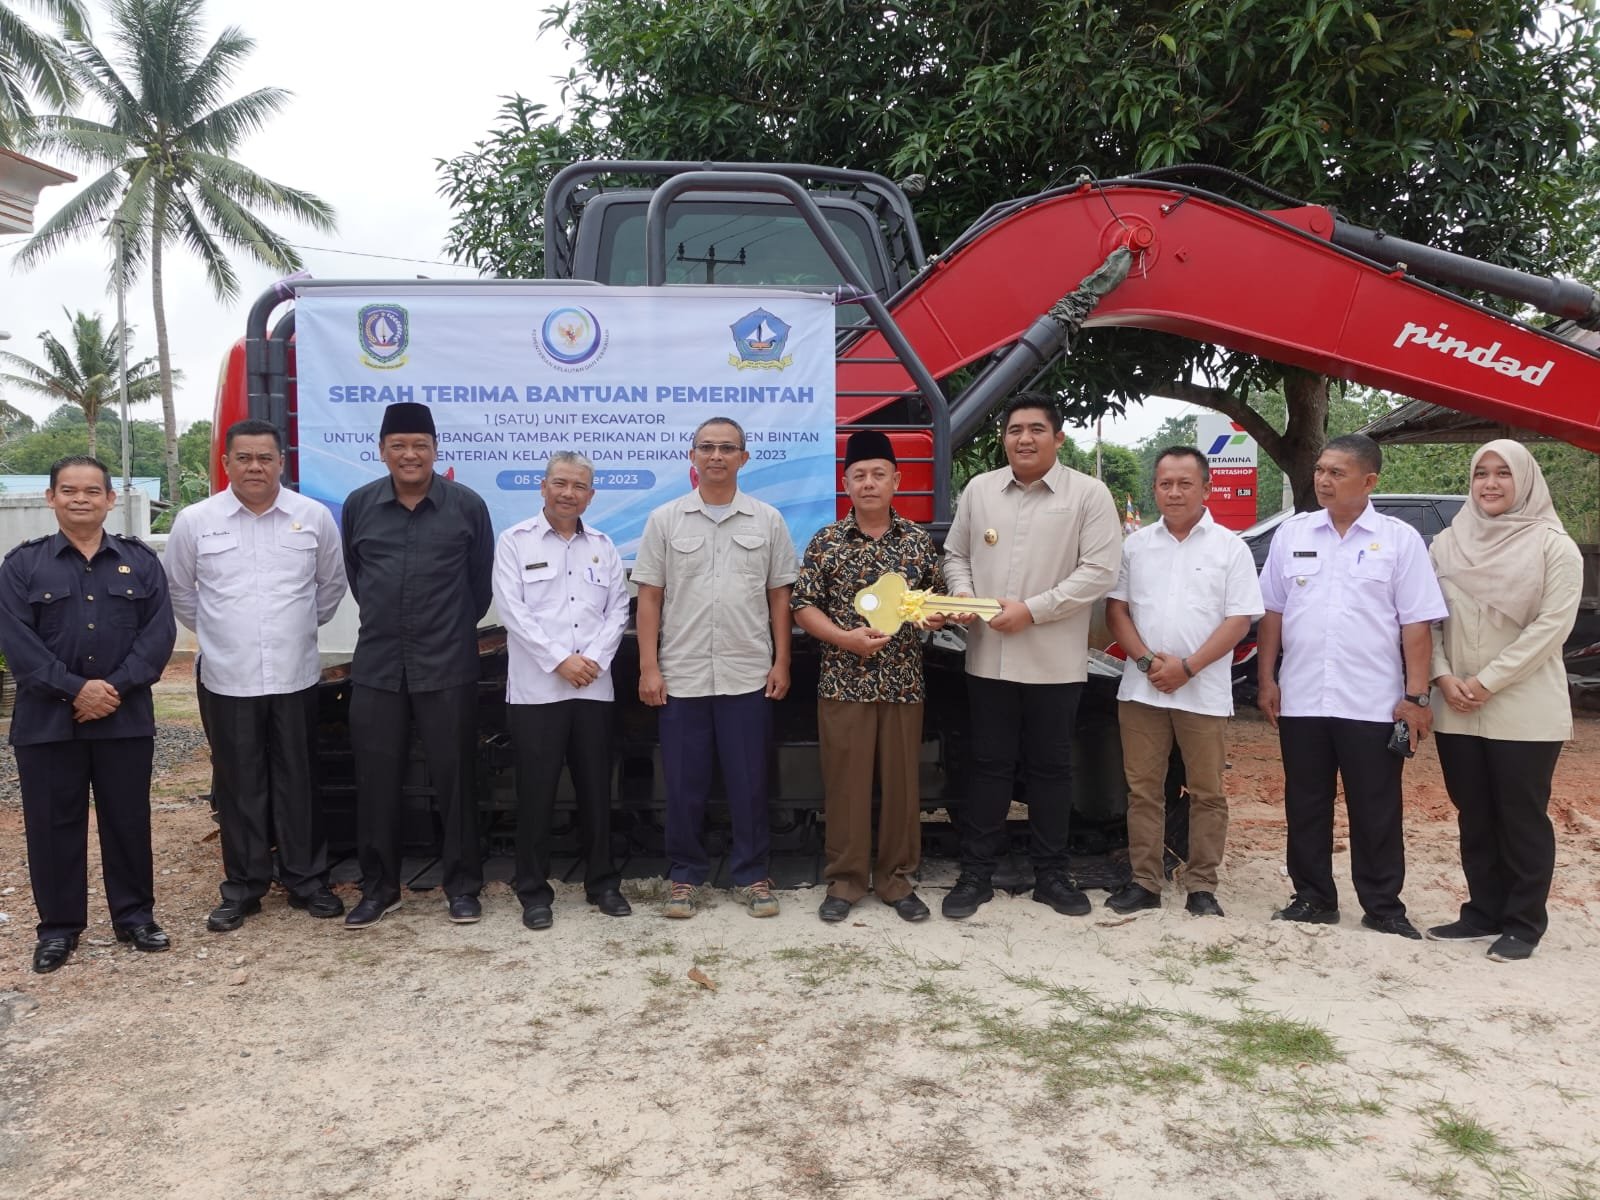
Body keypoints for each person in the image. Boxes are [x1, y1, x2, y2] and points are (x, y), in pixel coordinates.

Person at [1257, 433, 1447, 938]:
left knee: (1376, 806)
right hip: (1302, 697)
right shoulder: (1292, 534)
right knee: (1305, 801)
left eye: (1336, 472)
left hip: (1373, 702)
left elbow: (1416, 626)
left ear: (1369, 481)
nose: (1323, 479)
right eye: (1320, 469)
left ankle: (1383, 907)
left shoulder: (1399, 540)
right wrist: (1266, 678)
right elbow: (1273, 613)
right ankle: (1313, 897)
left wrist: (1416, 696)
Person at [941, 393, 1123, 920]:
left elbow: (1099, 571)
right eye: (1015, 429)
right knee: (988, 765)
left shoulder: (1088, 494)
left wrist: (1033, 610)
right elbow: (957, 555)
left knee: (1051, 768)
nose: (1025, 438)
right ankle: (976, 874)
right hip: (989, 656)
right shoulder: (980, 490)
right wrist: (967, 600)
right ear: (1004, 438)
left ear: (1058, 438)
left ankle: (1052, 874)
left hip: (1054, 659)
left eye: (1037, 429)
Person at [165, 419, 348, 933]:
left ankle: (307, 880)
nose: (254, 467)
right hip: (227, 675)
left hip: (295, 674)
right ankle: (244, 886)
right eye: (243, 457)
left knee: (299, 780)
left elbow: (329, 587)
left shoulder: (312, 518)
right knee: (239, 783)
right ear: (225, 464)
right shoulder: (195, 521)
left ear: (281, 463)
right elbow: (181, 591)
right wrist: (225, 634)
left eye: (264, 457)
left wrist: (292, 630)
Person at [0, 456, 176, 973]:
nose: (81, 499)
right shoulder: (22, 565)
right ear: (51, 497)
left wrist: (111, 689)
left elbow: (158, 635)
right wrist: (76, 690)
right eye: (69, 490)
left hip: (123, 717)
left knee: (127, 820)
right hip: (47, 722)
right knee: (53, 827)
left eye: (92, 491)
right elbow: (18, 642)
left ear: (109, 499)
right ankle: (58, 928)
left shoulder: (140, 561)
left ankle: (135, 917)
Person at [633, 417, 798, 919]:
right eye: (707, 447)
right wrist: (648, 667)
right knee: (684, 782)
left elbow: (780, 596)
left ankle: (753, 875)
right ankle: (684, 876)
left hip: (748, 672)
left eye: (728, 448)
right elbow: (650, 597)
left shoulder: (767, 520)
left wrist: (782, 660)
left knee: (749, 780)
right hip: (680, 674)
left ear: (744, 459)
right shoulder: (665, 519)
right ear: (692, 456)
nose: (717, 456)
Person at [1425, 440, 1582, 962]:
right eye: (1480, 474)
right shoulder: (1446, 545)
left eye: (1503, 474)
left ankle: (1523, 922)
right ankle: (1482, 912)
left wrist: (1488, 681)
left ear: (1526, 481)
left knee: (1520, 815)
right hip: (1456, 703)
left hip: (1523, 705)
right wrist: (1444, 677)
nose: (1490, 483)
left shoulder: (1554, 547)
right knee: (1474, 812)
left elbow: (1551, 628)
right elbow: (1430, 622)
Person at [339, 402, 494, 929]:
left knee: (455, 779)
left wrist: (442, 629)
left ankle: (463, 886)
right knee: (376, 779)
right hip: (379, 665)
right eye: (399, 445)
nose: (410, 455)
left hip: (447, 664)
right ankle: (380, 888)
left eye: (420, 445)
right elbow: (358, 578)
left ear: (435, 450)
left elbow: (478, 586)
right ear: (382, 451)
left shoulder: (466, 506)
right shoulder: (359, 506)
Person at [1103, 447, 1263, 917]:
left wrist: (1188, 667)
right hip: (1142, 688)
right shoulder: (1135, 545)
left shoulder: (1230, 548)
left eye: (1184, 483)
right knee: (1143, 790)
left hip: (1204, 691)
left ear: (1206, 488)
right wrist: (1149, 660)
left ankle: (1201, 886)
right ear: (1155, 488)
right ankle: (1145, 882)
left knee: (1207, 792)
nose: (1174, 492)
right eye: (1165, 483)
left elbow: (1238, 621)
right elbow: (1117, 611)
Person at [793, 430, 943, 924]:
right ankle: (845, 880)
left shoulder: (918, 542)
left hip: (902, 682)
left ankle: (897, 880)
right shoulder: (828, 541)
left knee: (902, 786)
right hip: (843, 680)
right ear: (846, 483)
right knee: (846, 785)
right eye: (859, 475)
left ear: (896, 480)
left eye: (879, 474)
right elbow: (803, 606)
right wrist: (844, 638)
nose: (869, 483)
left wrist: (933, 616)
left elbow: (936, 605)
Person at [492, 451, 631, 931]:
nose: (569, 493)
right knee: (536, 792)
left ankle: (603, 884)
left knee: (596, 789)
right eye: (560, 483)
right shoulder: (514, 542)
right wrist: (560, 660)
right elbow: (513, 611)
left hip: (593, 687)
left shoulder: (604, 546)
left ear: (591, 495)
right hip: (537, 691)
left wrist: (591, 660)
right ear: (543, 487)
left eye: (579, 486)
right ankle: (533, 890)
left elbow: (618, 610)